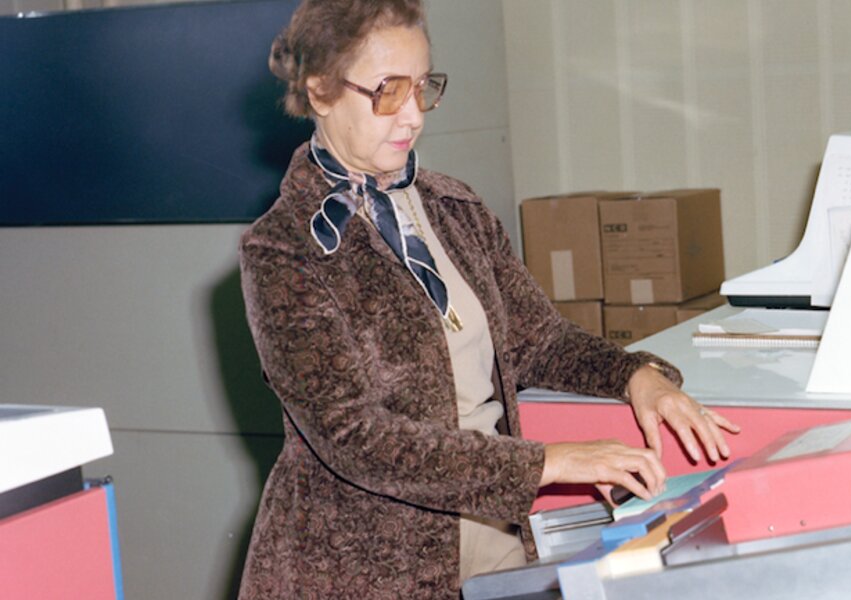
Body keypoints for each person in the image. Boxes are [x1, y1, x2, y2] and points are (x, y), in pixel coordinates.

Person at [237, 0, 739, 597]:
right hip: (366, 564)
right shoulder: (283, 249)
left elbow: (540, 340)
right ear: (320, 91)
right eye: (388, 91)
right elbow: (356, 438)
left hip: (496, 534)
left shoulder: (456, 209)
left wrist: (638, 378)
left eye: (423, 88)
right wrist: (549, 462)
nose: (413, 115)